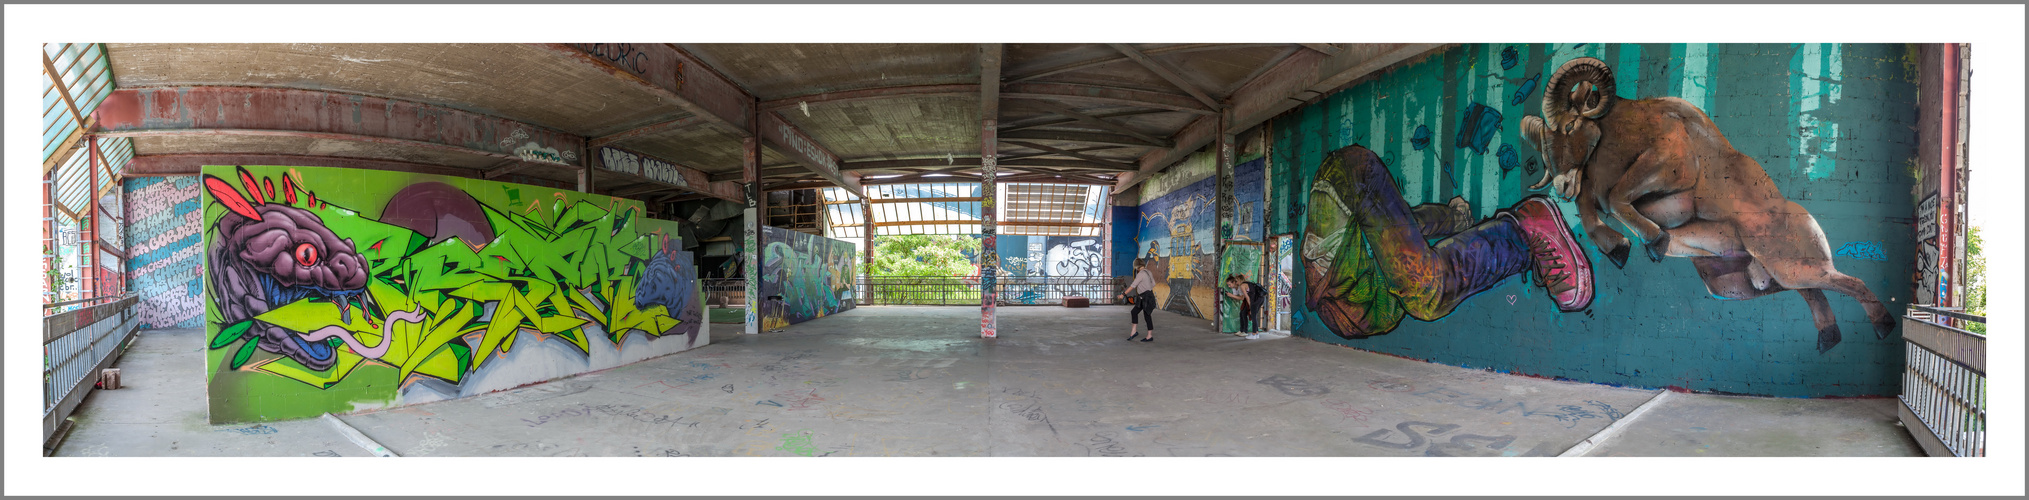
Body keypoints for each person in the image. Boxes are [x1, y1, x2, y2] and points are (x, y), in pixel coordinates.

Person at [1303, 145, 1593, 339]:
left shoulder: (1353, 293)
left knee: (1425, 292)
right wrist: (1453, 218)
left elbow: (1404, 233)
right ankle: (1515, 233)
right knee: (1416, 280)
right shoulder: (1370, 300)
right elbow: (1403, 226)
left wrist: (1451, 219)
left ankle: (1524, 230)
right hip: (1345, 181)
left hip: (1347, 181)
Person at [1120, 258, 1159, 342]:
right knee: (1135, 312)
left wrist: (1123, 294)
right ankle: (1133, 332)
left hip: (1145, 297)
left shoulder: (1141, 274)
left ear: (1136, 266)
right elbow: (1153, 284)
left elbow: (1133, 286)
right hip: (1147, 296)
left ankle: (1149, 336)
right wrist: (1147, 288)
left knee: (1147, 315)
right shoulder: (1148, 272)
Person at [1223, 275, 1266, 339]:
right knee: (1252, 315)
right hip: (1259, 299)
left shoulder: (1242, 286)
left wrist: (1251, 308)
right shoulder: (1246, 283)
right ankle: (1256, 334)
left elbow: (1247, 298)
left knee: (1253, 317)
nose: (1236, 282)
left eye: (1236, 281)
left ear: (1239, 281)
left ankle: (1254, 334)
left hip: (1256, 300)